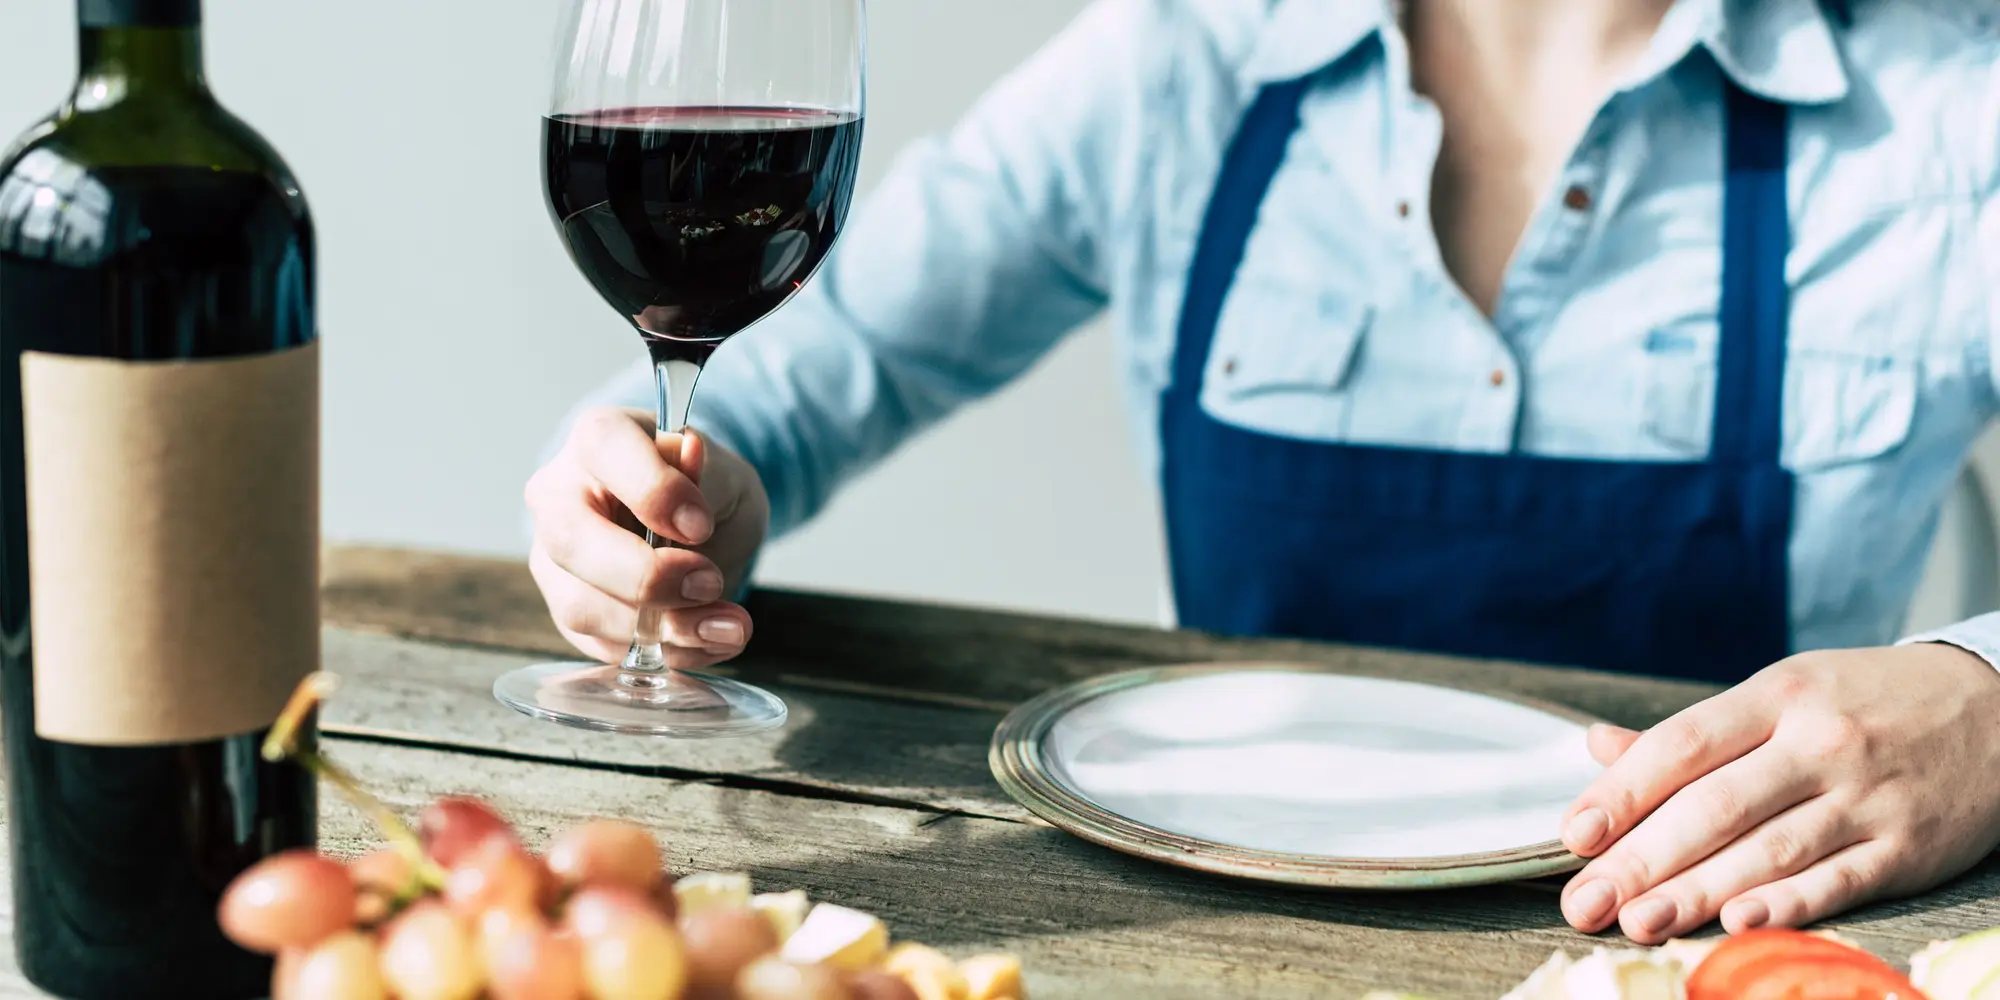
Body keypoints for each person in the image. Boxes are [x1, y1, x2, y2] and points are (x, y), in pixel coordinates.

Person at [524, 0, 2000, 944]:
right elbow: (777, 390)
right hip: (1178, 944)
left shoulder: (1951, 109)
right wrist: (643, 503)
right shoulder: (1179, 59)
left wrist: (1983, 706)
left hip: (1693, 950)